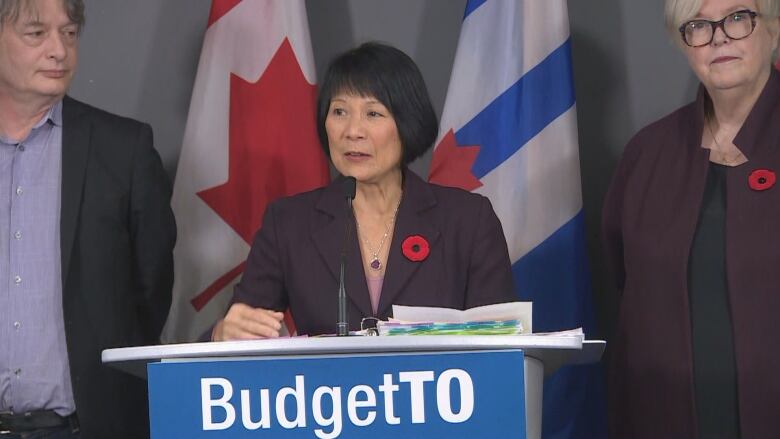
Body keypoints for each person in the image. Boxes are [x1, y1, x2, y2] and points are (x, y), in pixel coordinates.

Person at [213, 42, 516, 340]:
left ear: (408, 123)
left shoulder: (468, 221)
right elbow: (239, 333)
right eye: (340, 111)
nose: (352, 131)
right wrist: (222, 334)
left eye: (373, 114)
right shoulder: (289, 224)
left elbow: (499, 348)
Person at [602, 0, 780, 437]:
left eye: (738, 18)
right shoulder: (647, 155)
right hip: (663, 415)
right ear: (685, 44)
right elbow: (623, 284)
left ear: (773, 29)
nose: (718, 36)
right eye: (698, 25)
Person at [0, 0, 176, 437]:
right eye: (36, 34)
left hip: (89, 427)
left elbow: (150, 291)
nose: (59, 50)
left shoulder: (124, 150)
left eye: (70, 32)